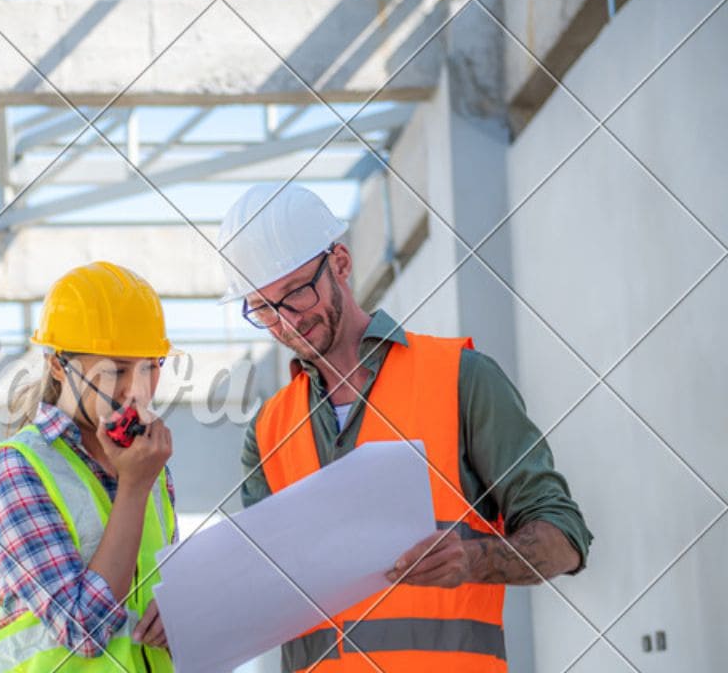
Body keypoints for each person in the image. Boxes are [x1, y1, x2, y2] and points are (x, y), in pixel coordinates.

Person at [220, 183, 592, 672]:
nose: (286, 322)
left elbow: (566, 538)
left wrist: (475, 560)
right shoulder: (268, 431)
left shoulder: (461, 379)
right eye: (263, 308)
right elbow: (264, 592)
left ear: (341, 263)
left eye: (295, 293)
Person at [0, 261, 177, 672]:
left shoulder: (149, 465)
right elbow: (83, 629)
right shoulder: (20, 470)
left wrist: (181, 609)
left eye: (151, 366)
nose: (137, 390)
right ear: (59, 364)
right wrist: (133, 488)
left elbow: (157, 588)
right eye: (116, 369)